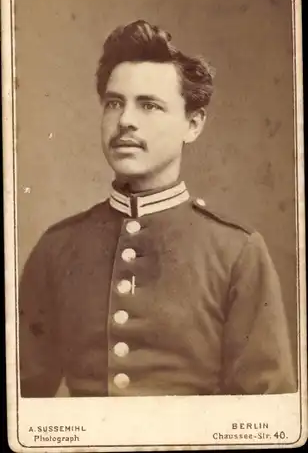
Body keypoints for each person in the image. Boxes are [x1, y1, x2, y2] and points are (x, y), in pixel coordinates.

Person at [19, 20, 296, 397]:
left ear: (193, 125)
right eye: (114, 103)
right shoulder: (56, 248)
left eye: (149, 105)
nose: (126, 121)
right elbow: (20, 408)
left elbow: (267, 416)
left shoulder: (236, 252)